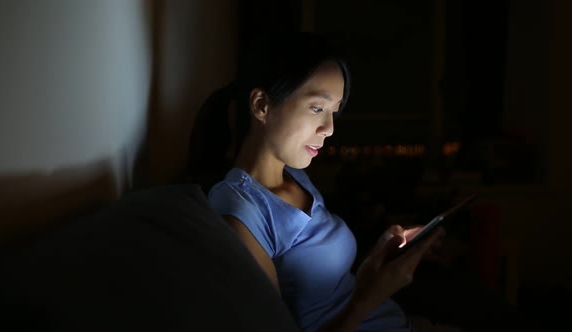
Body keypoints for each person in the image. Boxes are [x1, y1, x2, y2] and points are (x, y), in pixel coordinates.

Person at [188, 32, 445, 332]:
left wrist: (378, 261)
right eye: (316, 108)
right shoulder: (240, 211)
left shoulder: (295, 176)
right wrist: (369, 297)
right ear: (261, 105)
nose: (329, 128)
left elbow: (327, 289)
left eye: (333, 112)